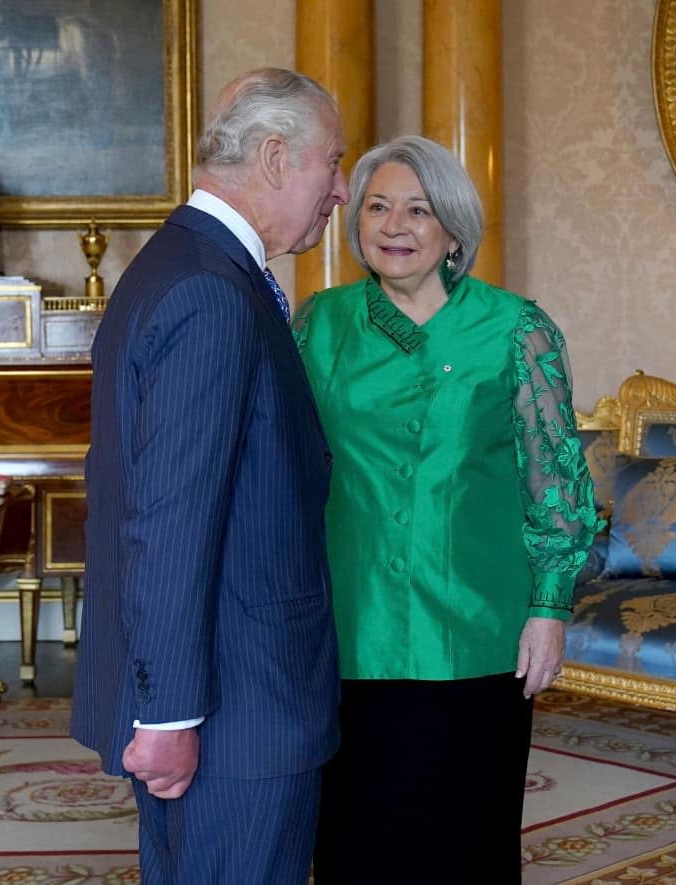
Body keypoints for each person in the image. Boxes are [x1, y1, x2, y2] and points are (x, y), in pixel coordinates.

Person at [294, 135, 602, 884]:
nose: (394, 225)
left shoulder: (517, 329)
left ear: (453, 231)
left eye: (418, 209)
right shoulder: (318, 324)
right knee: (354, 837)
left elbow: (556, 482)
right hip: (350, 627)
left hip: (475, 630)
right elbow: (288, 469)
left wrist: (549, 608)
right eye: (377, 206)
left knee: (467, 836)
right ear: (355, 221)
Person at [70, 67, 348, 885]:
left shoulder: (188, 264)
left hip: (229, 693)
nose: (338, 190)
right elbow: (171, 519)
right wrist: (170, 713)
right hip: (236, 706)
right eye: (331, 163)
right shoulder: (211, 292)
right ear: (273, 157)